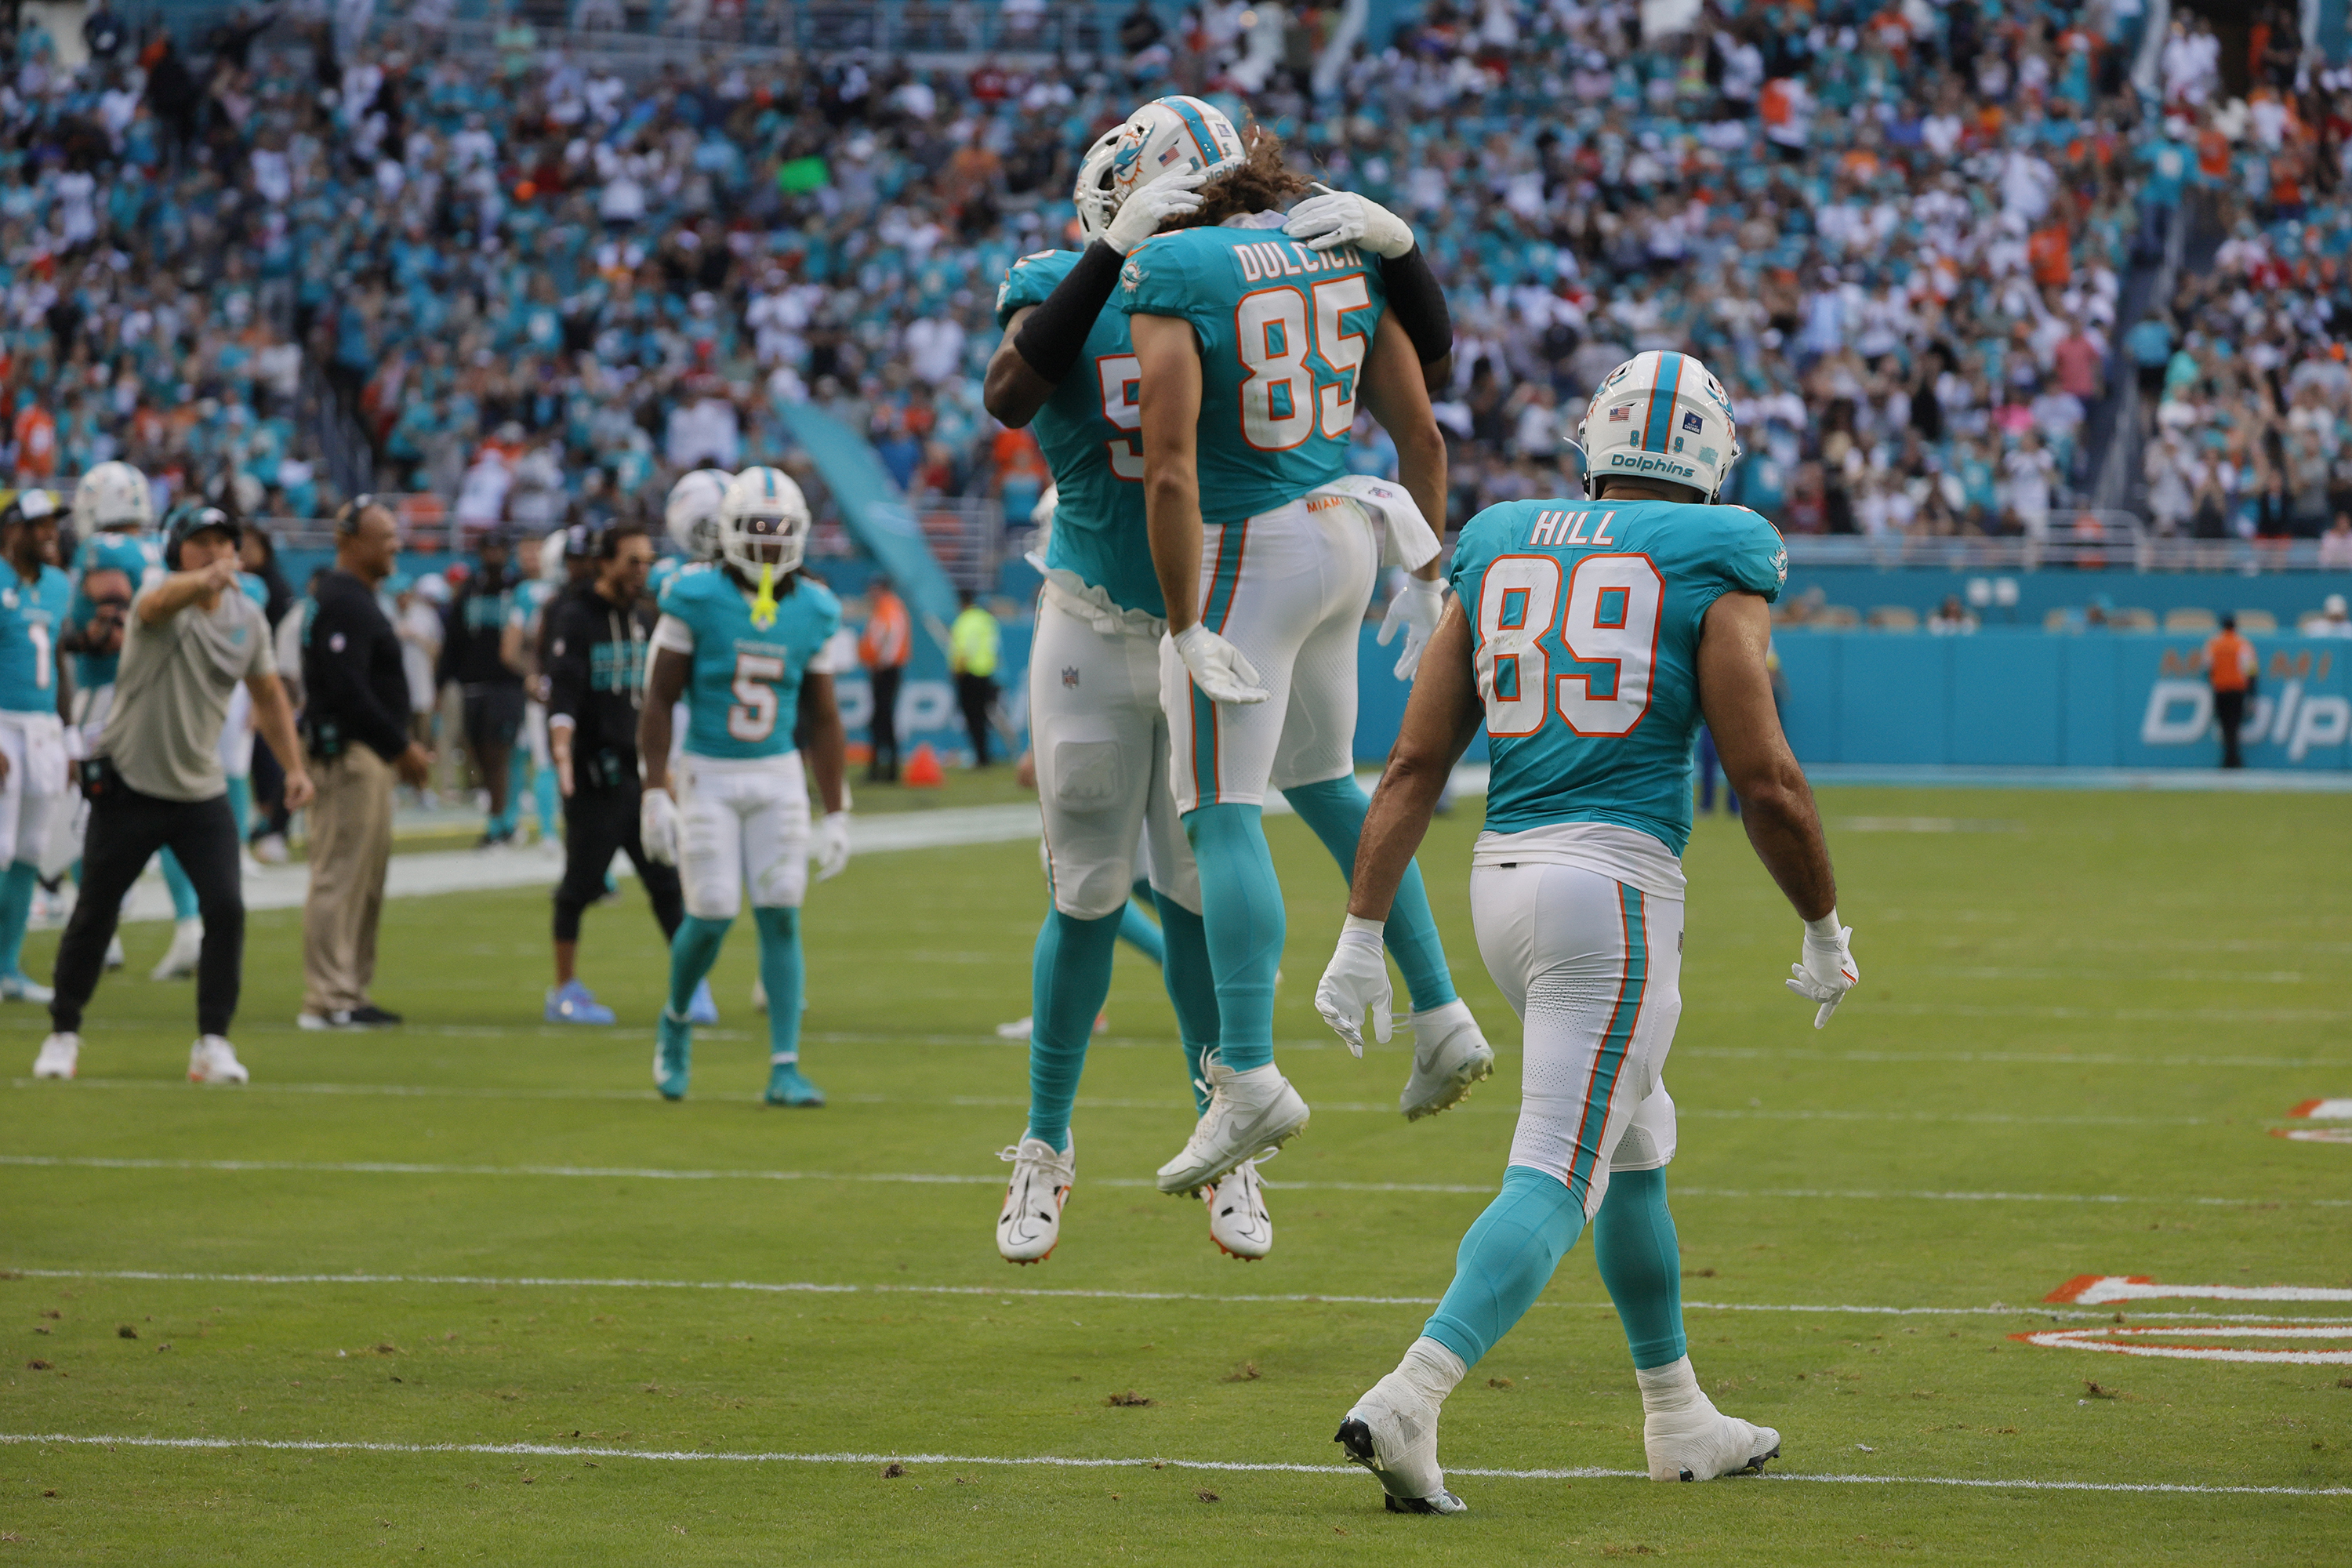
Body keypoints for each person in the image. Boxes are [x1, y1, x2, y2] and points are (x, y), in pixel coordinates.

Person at [1313, 349, 1855, 1511]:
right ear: (1711, 460)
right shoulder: (1719, 548)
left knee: (1638, 1138)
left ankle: (1679, 1415)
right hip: (1609, 894)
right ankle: (1412, 1395)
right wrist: (1822, 924)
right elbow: (1764, 778)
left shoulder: (1502, 535)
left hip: (1502, 882)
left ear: (1597, 440)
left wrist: (1362, 932)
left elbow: (1412, 761)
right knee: (1560, 1171)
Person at [1123, 99, 1490, 1200]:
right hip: (1348, 529)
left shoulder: (1176, 268)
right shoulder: (1336, 244)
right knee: (1326, 783)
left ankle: (1246, 1073)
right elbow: (1422, 432)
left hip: (1248, 545)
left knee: (1220, 809)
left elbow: (1171, 466)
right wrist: (1427, 571)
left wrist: (1184, 621)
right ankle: (1441, 1010)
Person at [979, 133, 1233, 1262]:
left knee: (1194, 895)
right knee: (1086, 889)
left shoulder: (1242, 285)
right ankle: (1044, 1144)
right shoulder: (1052, 279)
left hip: (1209, 621)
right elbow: (1008, 395)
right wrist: (1108, 257)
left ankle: (1227, 1130)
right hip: (1088, 612)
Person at [33, 507, 314, 1084]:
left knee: (226, 908)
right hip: (131, 782)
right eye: (200, 543)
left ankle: (213, 1042)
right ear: (176, 553)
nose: (215, 553)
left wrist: (293, 767)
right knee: (94, 913)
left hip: (199, 788)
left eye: (223, 543)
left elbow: (267, 694)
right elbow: (157, 605)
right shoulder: (157, 598)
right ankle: (63, 1033)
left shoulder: (247, 617)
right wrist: (202, 581)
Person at [638, 467, 850, 1105]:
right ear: (729, 531)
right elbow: (658, 698)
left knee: (781, 912)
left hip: (778, 773)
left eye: (779, 530)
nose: (768, 542)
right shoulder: (696, 595)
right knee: (710, 914)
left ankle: (785, 1066)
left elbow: (824, 717)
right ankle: (676, 1020)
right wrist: (655, 788)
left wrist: (837, 810)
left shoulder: (814, 606)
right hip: (708, 771)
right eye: (757, 529)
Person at [543, 521, 704, 1025]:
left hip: (640, 776)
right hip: (594, 775)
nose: (642, 571)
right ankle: (563, 991)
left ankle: (691, 986)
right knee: (579, 886)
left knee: (666, 882)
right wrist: (562, 754)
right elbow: (563, 691)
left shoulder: (643, 618)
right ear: (605, 562)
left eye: (647, 561)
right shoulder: (575, 617)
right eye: (632, 561)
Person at [299, 499, 434, 1029]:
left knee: (364, 879)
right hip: (350, 755)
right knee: (340, 875)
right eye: (385, 537)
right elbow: (347, 688)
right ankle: (327, 996)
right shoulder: (344, 601)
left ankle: (350, 990)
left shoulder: (354, 598)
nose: (396, 546)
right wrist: (400, 746)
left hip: (367, 754)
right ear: (350, 542)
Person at [0, 489, 73, 1001]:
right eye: (39, 525)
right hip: (4, 724)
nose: (50, 533)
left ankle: (8, 966)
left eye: (53, 524)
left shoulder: (58, 585)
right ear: (13, 530)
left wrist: (69, 736)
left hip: (44, 728)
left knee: (30, 850)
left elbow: (60, 660)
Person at [439, 529, 527, 847]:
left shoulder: (518, 590)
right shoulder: (469, 590)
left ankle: (501, 824)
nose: (493, 556)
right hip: (473, 684)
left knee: (499, 751)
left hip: (507, 684)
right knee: (479, 753)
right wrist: (442, 681)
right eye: (488, 550)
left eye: (498, 549)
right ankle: (501, 819)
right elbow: (453, 639)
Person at [857, 572, 909, 782]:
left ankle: (885, 770)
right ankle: (883, 769)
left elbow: (890, 635)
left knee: (882, 720)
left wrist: (881, 662)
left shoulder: (888, 606)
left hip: (886, 670)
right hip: (884, 669)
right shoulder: (886, 606)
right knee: (881, 720)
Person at [947, 589, 1000, 766]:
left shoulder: (964, 621)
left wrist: (957, 671)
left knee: (972, 718)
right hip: (986, 673)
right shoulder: (985, 619)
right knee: (982, 717)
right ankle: (984, 755)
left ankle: (980, 756)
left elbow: (965, 649)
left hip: (969, 674)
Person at [2199, 612, 2256, 769]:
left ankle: (2229, 758)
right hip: (2237, 689)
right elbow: (2251, 669)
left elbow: (2207, 666)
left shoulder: (2213, 644)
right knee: (2235, 724)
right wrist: (2252, 691)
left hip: (2221, 689)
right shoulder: (2242, 644)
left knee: (2224, 724)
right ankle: (2233, 758)